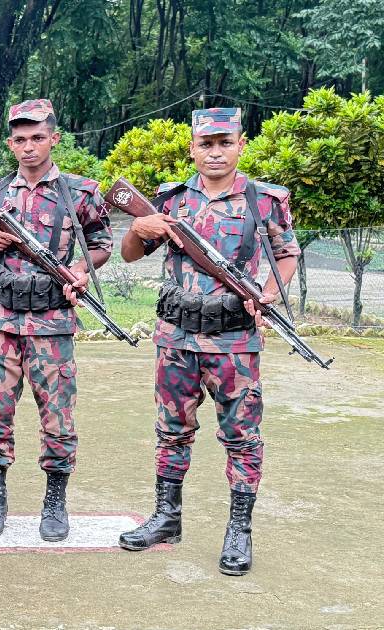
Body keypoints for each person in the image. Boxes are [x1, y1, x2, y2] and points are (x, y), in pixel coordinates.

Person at [117, 108, 300, 576]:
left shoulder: (265, 200)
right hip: (176, 338)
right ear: (192, 149)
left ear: (241, 145)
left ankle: (239, 530)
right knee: (171, 430)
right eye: (206, 144)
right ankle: (166, 517)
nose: (215, 152)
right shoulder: (169, 201)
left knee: (241, 438)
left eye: (224, 142)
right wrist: (139, 229)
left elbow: (286, 254)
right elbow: (131, 253)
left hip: (235, 340)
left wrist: (270, 293)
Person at [0, 99, 113, 542]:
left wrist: (84, 269)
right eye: (20, 139)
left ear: (54, 138)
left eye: (38, 138)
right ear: (10, 143)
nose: (29, 147)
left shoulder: (79, 192)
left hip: (53, 322)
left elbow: (100, 242)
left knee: (58, 417)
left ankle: (54, 502)